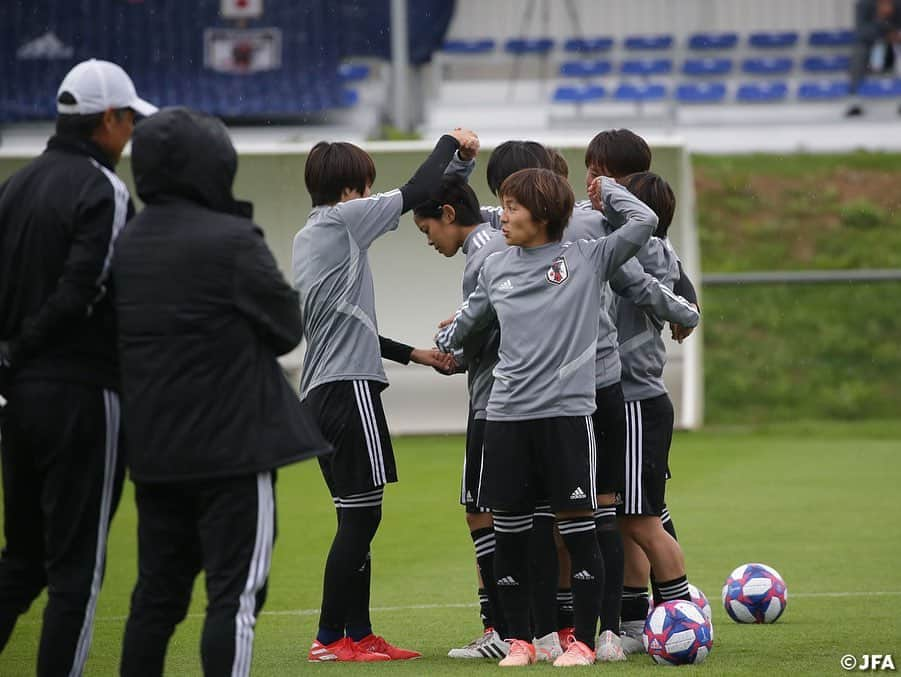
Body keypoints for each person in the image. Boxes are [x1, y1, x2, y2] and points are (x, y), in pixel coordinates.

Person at [437, 168, 698, 667]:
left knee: (580, 529)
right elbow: (468, 323)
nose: (503, 216)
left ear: (543, 215)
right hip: (507, 416)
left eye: (511, 207)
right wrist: (444, 344)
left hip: (567, 415)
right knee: (511, 533)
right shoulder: (495, 266)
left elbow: (643, 221)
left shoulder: (587, 257)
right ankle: (521, 641)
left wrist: (608, 190)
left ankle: (581, 640)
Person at [113, 107, 331, 677]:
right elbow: (286, 326)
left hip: (156, 452)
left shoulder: (126, 242)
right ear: (214, 166)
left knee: (155, 600)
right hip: (234, 450)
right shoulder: (231, 238)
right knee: (233, 598)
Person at [0, 58, 155, 676]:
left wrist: (9, 359)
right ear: (109, 120)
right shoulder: (105, 190)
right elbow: (82, 290)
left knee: (22, 560)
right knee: (76, 571)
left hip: (19, 399)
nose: (132, 136)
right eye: (129, 122)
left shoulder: (15, 185)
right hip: (84, 395)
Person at [294, 130, 473, 662]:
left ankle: (357, 634)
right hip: (348, 392)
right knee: (362, 518)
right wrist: (451, 145)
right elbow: (418, 191)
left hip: (324, 391)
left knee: (356, 514)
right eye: (367, 188)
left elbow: (351, 325)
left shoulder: (315, 235)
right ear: (352, 190)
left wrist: (415, 355)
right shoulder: (343, 220)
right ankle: (330, 638)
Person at [413, 176, 512, 659]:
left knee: (481, 513)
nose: (429, 239)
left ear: (449, 215)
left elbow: (479, 329)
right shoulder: (499, 242)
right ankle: (535, 624)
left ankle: (500, 630)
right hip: (511, 397)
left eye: (427, 227)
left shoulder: (481, 256)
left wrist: (451, 346)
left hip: (493, 402)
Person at [604, 172, 700, 654]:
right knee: (626, 518)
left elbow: (660, 292)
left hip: (640, 400)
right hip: (619, 400)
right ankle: (638, 622)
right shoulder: (632, 248)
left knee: (642, 520)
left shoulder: (647, 252)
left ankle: (683, 618)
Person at [847, 0, 901, 116]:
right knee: (858, 53)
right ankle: (854, 100)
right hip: (871, 45)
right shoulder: (863, 5)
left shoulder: (898, 4)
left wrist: (895, 35)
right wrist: (881, 20)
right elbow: (861, 31)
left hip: (894, 46)